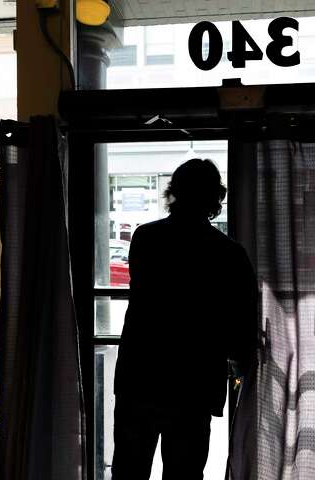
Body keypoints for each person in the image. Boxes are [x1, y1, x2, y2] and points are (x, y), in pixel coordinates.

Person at [111, 158, 259, 480]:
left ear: (174, 192)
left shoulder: (145, 239)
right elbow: (241, 326)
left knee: (129, 469)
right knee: (184, 472)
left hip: (140, 376)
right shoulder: (228, 253)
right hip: (193, 384)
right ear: (215, 198)